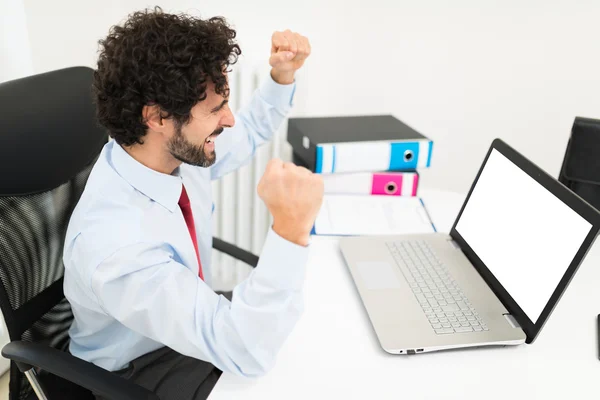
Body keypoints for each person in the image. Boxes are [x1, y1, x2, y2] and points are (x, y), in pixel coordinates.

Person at [62, 6, 324, 399]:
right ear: (157, 117)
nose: (229, 119)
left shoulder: (172, 152)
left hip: (186, 331)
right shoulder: (116, 245)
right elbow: (244, 350)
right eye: (216, 109)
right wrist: (289, 231)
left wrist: (281, 76)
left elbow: (247, 131)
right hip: (133, 374)